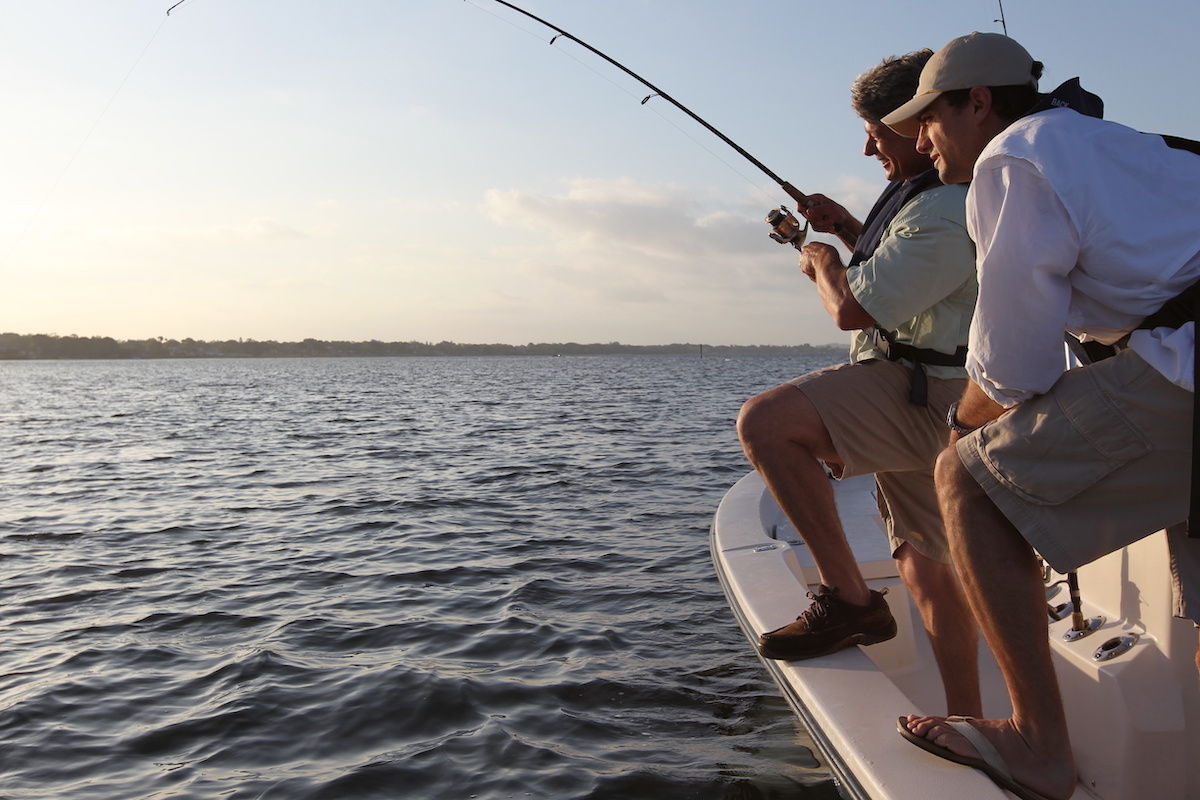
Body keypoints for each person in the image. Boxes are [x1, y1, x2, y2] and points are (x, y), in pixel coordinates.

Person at [882, 32, 1200, 800]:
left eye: (928, 116)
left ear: (978, 102)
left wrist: (959, 429)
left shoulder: (1013, 156)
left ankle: (1037, 747)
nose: (920, 139)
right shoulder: (1142, 149)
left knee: (966, 481)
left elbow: (1014, 369)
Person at [736, 50, 982, 717]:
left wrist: (818, 258)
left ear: (915, 122)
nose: (868, 145)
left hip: (923, 397)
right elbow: (907, 277)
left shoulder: (941, 208)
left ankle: (849, 603)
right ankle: (965, 720)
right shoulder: (930, 196)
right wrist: (846, 226)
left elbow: (852, 307)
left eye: (876, 130)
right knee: (926, 567)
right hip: (934, 396)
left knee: (766, 424)